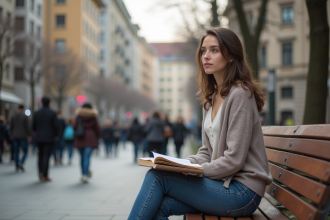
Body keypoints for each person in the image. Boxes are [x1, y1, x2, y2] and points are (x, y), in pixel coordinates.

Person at [128, 27, 272, 219]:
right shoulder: (211, 99)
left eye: (214, 50)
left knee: (158, 177)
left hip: (243, 192)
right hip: (224, 185)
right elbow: (206, 151)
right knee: (161, 204)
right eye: (203, 51)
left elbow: (234, 160)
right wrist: (181, 164)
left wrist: (196, 172)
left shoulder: (240, 94)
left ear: (230, 56)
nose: (206, 56)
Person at [33, 97, 58, 182]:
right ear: (49, 103)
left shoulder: (37, 113)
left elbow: (33, 126)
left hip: (39, 137)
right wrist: (55, 135)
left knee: (40, 155)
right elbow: (56, 126)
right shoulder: (52, 113)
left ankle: (40, 173)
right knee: (46, 156)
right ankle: (45, 175)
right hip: (49, 138)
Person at [73, 103, 100, 183]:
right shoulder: (93, 116)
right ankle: (85, 175)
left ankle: (83, 174)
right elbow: (97, 129)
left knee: (82, 158)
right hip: (90, 139)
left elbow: (74, 126)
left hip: (80, 138)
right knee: (87, 157)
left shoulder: (79, 116)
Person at [10, 105, 31, 172]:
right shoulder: (25, 116)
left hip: (15, 135)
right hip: (23, 136)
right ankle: (21, 162)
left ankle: (16, 166)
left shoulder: (13, 116)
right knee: (25, 151)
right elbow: (27, 127)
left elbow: (11, 127)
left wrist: (11, 135)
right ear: (23, 108)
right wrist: (29, 135)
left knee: (16, 151)